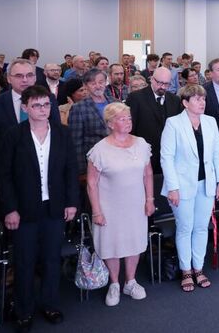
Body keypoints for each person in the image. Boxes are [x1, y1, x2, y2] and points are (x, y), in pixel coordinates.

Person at [0, 85, 78, 331]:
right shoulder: (13, 135)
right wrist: (9, 209)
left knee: (52, 260)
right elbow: (4, 176)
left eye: (46, 104)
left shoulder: (63, 133)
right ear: (25, 108)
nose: (43, 109)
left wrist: (72, 202)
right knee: (24, 262)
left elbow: (71, 171)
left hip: (55, 208)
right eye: (36, 105)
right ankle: (23, 310)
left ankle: (50, 304)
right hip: (23, 211)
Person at [160, 84, 219, 292]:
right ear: (185, 103)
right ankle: (186, 270)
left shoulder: (210, 122)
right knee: (185, 228)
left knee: (200, 227)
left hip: (206, 183)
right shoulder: (173, 123)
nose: (202, 103)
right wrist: (172, 187)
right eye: (197, 99)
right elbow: (166, 157)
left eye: (203, 99)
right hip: (181, 186)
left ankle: (198, 268)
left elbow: (217, 152)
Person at [86, 102, 154, 306]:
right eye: (122, 119)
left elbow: (148, 173)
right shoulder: (99, 150)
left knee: (134, 242)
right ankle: (114, 283)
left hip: (136, 204)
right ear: (111, 123)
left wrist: (150, 199)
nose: (128, 122)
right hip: (110, 207)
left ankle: (130, 281)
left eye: (129, 118)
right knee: (111, 245)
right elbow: (91, 183)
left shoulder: (141, 144)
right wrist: (96, 211)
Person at [0, 59, 62, 140]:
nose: (25, 80)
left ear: (35, 78)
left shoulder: (48, 98)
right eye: (19, 76)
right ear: (9, 78)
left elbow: (56, 127)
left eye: (30, 75)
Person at [68, 69, 116, 174]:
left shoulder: (116, 103)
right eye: (93, 83)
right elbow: (76, 142)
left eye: (101, 82)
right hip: (93, 162)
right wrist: (82, 171)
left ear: (106, 82)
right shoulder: (78, 108)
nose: (98, 86)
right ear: (85, 86)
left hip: (117, 158)